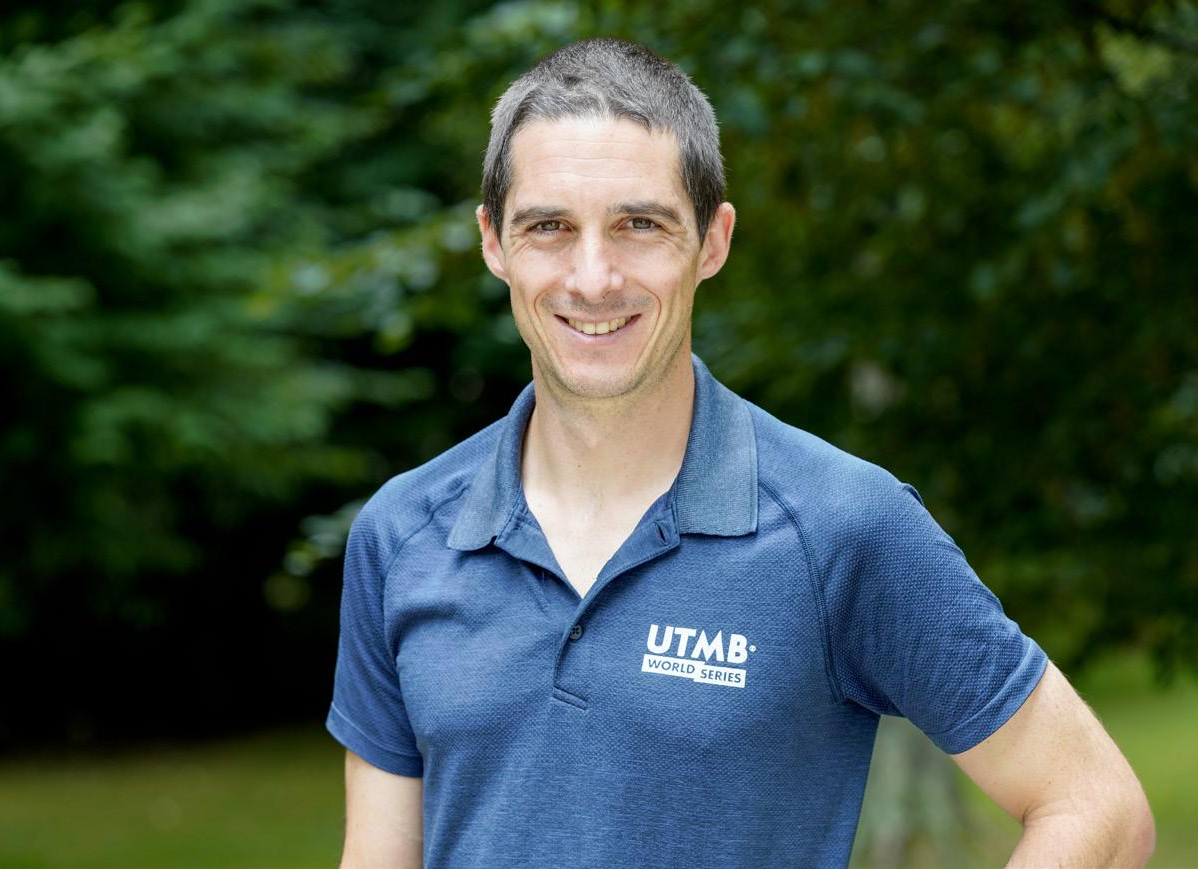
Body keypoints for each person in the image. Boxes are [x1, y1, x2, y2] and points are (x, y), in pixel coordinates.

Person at [327, 38, 1154, 868]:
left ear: (712, 241)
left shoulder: (842, 527)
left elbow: (1097, 807)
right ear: (493, 242)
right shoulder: (400, 535)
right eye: (549, 227)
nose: (592, 277)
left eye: (639, 225)